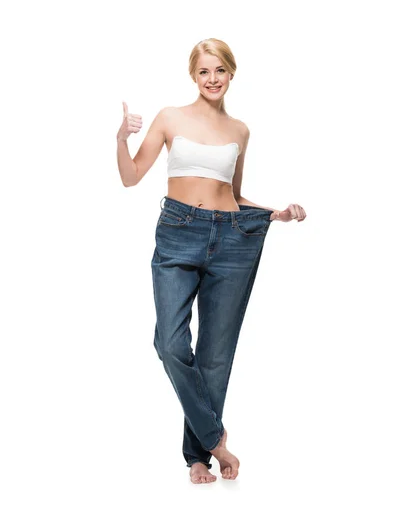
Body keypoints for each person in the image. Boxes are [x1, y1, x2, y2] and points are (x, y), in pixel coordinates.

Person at [116, 38, 306, 484]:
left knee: (216, 356)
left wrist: (274, 213)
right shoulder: (170, 118)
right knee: (171, 344)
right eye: (204, 72)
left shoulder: (240, 131)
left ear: (231, 74)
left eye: (220, 70)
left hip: (234, 237)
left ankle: (198, 457)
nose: (212, 79)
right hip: (179, 233)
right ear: (193, 76)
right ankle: (217, 440)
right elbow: (130, 178)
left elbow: (235, 196)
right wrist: (121, 139)